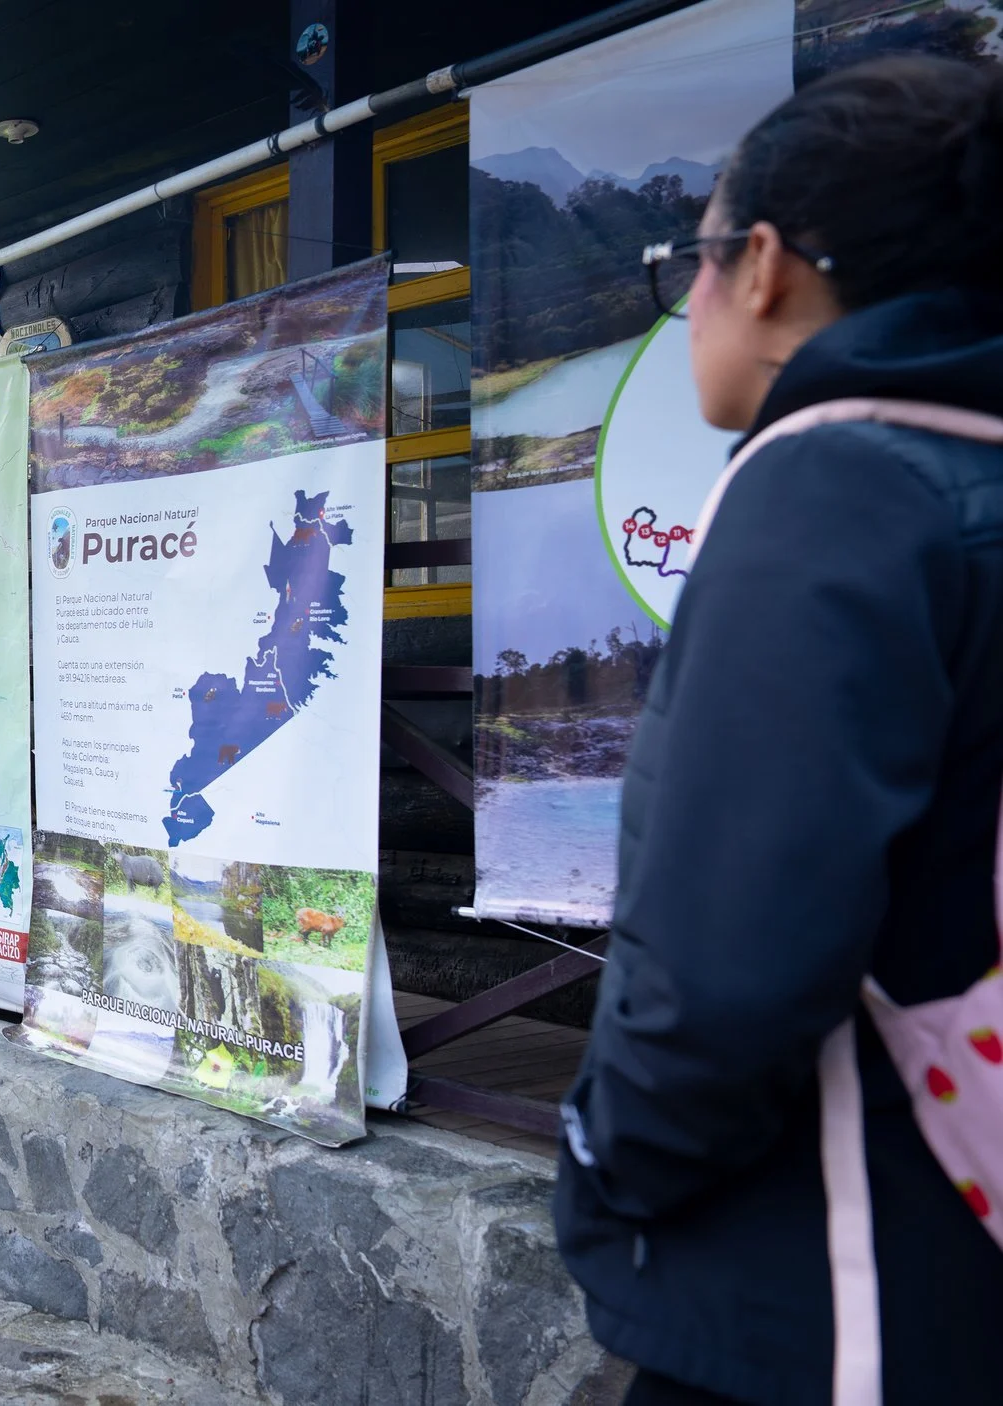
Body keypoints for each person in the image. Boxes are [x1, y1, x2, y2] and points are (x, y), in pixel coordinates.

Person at [554, 55, 1003, 1405]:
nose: (685, 302)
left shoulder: (833, 484)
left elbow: (726, 965)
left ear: (760, 263)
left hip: (829, 1284)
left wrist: (606, 1169)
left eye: (684, 258)